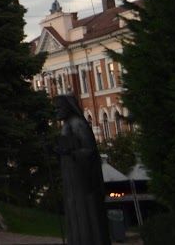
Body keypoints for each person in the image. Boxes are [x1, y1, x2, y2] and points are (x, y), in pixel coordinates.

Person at [55, 94, 111, 245]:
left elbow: (89, 150)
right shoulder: (67, 125)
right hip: (72, 179)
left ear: (68, 107)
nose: (56, 110)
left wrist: (70, 153)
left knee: (85, 214)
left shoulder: (78, 124)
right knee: (75, 214)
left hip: (82, 180)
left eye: (59, 107)